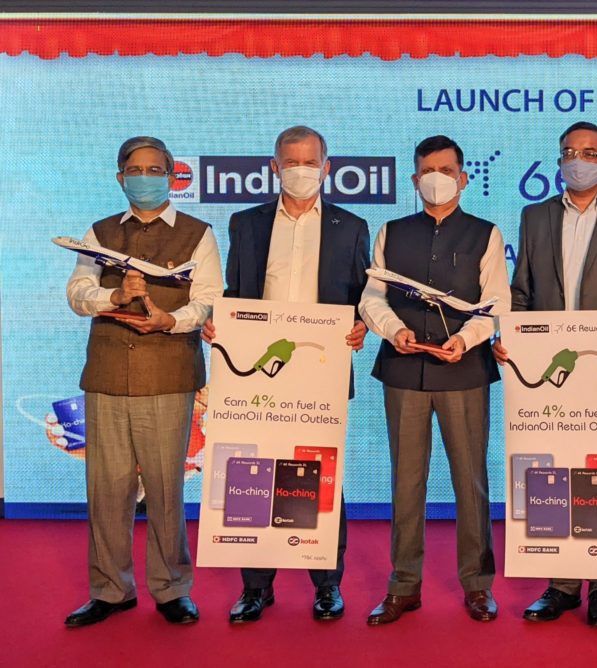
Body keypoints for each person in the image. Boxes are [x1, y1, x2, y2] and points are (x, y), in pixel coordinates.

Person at [202, 125, 370, 624]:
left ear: (327, 167)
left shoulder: (351, 225)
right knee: (252, 473)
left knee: (321, 474)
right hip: (258, 375)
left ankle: (327, 584)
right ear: (274, 168)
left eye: (309, 161)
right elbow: (236, 290)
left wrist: (361, 325)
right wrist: (220, 321)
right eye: (290, 162)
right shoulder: (245, 223)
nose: (301, 171)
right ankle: (256, 587)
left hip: (320, 372)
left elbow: (362, 296)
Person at [496, 120, 597, 627]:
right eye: (569, 151)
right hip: (548, 368)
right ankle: (561, 584)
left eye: (589, 152)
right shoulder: (534, 216)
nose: (578, 160)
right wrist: (510, 340)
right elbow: (521, 291)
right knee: (553, 467)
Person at [64, 136, 222, 627]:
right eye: (136, 169)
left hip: (169, 373)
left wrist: (170, 322)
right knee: (106, 487)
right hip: (108, 373)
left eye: (156, 169)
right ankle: (110, 590)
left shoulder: (199, 233)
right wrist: (112, 296)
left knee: (164, 486)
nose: (146, 178)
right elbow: (77, 292)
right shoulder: (98, 232)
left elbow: (211, 299)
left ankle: (172, 588)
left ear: (173, 176)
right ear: (120, 177)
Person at [359, 135, 511, 624]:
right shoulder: (391, 231)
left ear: (464, 178)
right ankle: (404, 585)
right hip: (403, 370)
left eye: (447, 170)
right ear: (414, 179)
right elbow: (372, 298)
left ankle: (478, 585)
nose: (437, 178)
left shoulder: (486, 233)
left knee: (471, 482)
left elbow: (496, 305)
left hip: (464, 370)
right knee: (407, 482)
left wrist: (466, 340)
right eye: (428, 170)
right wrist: (393, 329)